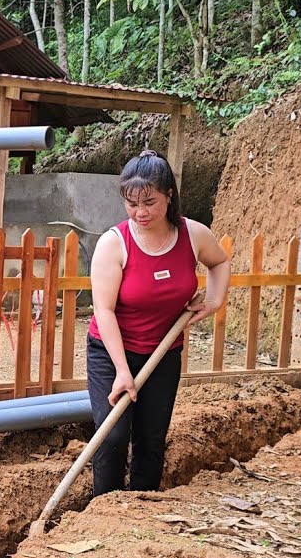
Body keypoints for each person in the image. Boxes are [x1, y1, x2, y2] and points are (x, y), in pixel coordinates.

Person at [86, 150, 229, 496]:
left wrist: (214, 300)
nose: (140, 212)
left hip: (164, 352)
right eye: (131, 203)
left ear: (169, 195)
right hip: (111, 351)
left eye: (149, 202)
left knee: (151, 436)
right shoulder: (114, 244)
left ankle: (143, 504)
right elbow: (104, 311)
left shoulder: (192, 235)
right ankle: (103, 509)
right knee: (113, 434)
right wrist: (122, 370)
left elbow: (220, 261)